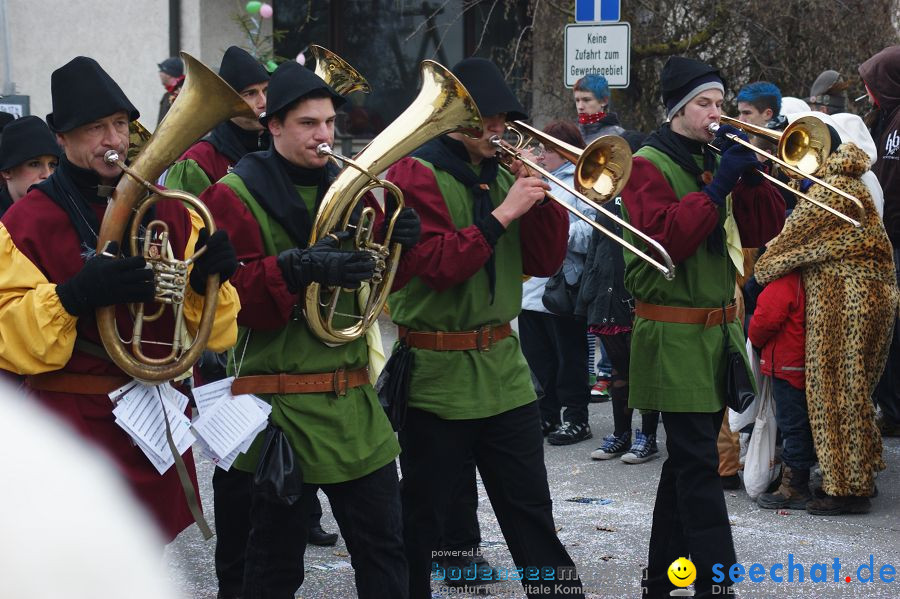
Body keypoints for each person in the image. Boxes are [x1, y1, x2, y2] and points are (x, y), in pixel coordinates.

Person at [198, 60, 418, 599]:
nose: (324, 135)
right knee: (272, 569)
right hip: (276, 410)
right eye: (308, 124)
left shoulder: (354, 191)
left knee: (386, 553)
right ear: (272, 126)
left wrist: (399, 244)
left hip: (352, 404)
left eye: (328, 123)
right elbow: (227, 305)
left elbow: (385, 291)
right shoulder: (232, 195)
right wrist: (296, 268)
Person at [0, 56, 240, 542]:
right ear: (60, 139)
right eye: (94, 129)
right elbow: (8, 332)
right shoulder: (26, 222)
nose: (112, 140)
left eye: (118, 125)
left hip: (150, 419)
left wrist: (204, 284)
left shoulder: (171, 211)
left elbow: (218, 332)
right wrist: (74, 296)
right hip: (72, 430)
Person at [385, 57, 584, 599]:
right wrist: (501, 216)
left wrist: (538, 198)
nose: (500, 132)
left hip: (503, 366)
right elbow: (438, 266)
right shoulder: (413, 174)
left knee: (531, 514)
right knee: (423, 516)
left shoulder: (502, 174)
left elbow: (544, 262)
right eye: (488, 121)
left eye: (503, 121)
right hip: (435, 370)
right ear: (453, 121)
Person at [620, 56, 785, 597]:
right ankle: (719, 585)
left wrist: (755, 181)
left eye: (720, 103)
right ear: (677, 110)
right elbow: (666, 240)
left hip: (716, 336)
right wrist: (717, 189)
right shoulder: (646, 163)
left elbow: (767, 229)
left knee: (684, 469)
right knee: (698, 468)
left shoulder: (712, 155)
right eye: (704, 104)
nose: (717, 113)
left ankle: (659, 582)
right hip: (673, 336)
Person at [754, 110, 898, 515]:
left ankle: (846, 490)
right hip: (868, 296)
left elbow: (778, 252)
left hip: (845, 300)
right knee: (854, 391)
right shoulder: (849, 182)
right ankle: (859, 473)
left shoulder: (830, 189)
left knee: (835, 393)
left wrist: (763, 266)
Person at [519, 120, 594, 445]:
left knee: (569, 359)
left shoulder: (583, 181)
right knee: (538, 359)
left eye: (547, 148)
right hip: (529, 288)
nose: (541, 154)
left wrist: (550, 233)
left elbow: (590, 234)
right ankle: (546, 415)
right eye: (539, 147)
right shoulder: (532, 176)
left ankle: (576, 418)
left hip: (563, 285)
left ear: (564, 150)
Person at [859, 45, 900, 437]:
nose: (868, 91)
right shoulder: (886, 118)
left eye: (872, 83)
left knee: (893, 331)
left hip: (894, 240)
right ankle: (892, 408)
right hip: (885, 238)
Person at [165, 46, 269, 196]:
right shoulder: (199, 161)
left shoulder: (281, 146)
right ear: (227, 101)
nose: (263, 102)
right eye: (250, 93)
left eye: (266, 90)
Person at [748, 269, 812, 509]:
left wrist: (754, 340)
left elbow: (764, 320)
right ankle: (796, 475)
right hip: (800, 362)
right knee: (800, 423)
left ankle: (795, 485)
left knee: (792, 424)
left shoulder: (785, 279)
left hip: (787, 363)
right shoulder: (808, 276)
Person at [0, 115, 60, 214]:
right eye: (34, 164)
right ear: (7, 171)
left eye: (52, 165)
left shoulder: (63, 214)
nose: (48, 175)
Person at [573, 73, 624, 143]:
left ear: (604, 101)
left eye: (586, 100)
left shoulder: (617, 135)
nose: (580, 107)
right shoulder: (571, 133)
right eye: (577, 100)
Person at [158, 56, 185, 126]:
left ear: (169, 74)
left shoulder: (183, 93)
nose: (159, 73)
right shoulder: (167, 95)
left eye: (161, 70)